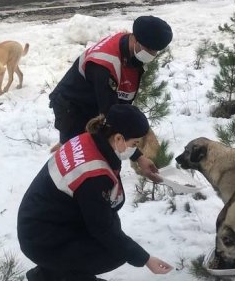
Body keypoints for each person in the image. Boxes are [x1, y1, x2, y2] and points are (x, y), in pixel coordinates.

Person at [17, 104, 174, 281]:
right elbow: (102, 230)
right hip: (42, 240)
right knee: (114, 252)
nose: (135, 147)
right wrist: (145, 259)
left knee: (113, 227)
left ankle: (50, 273)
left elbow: (102, 219)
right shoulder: (94, 176)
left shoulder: (92, 137)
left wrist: (139, 157)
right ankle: (55, 275)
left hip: (41, 222)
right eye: (135, 144)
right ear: (119, 139)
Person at [48, 15, 172, 182]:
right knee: (80, 161)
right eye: (148, 49)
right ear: (134, 39)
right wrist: (139, 157)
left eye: (155, 51)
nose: (151, 55)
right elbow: (113, 120)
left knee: (97, 149)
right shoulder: (104, 65)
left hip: (95, 102)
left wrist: (139, 157)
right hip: (72, 106)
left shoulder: (131, 52)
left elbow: (119, 111)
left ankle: (67, 142)